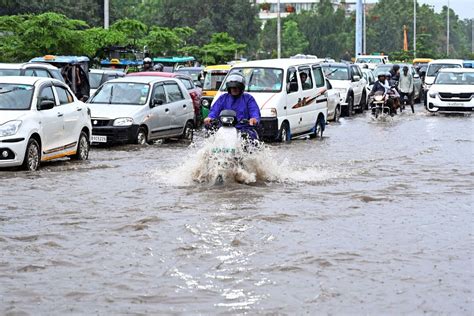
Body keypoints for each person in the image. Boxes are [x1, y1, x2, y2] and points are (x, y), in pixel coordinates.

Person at [204, 73, 261, 139]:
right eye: (232, 87)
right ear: (229, 88)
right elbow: (215, 110)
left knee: (251, 138)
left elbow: (254, 110)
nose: (234, 89)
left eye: (236, 87)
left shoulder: (248, 98)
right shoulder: (223, 98)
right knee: (211, 135)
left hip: (243, 128)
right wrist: (210, 117)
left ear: (241, 88)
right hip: (224, 127)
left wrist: (254, 119)